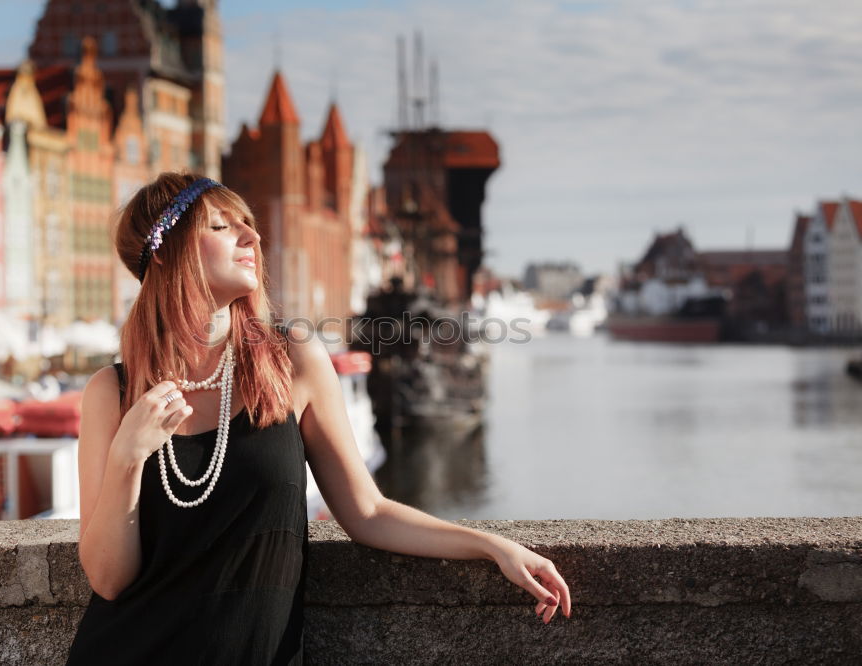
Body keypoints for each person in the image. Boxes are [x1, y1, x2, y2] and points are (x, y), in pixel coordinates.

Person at [65, 173, 571, 664]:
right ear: (165, 251)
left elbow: (368, 512)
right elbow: (109, 579)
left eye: (248, 223)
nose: (252, 235)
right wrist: (128, 457)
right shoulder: (112, 393)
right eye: (221, 227)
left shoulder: (292, 360)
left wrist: (492, 547)